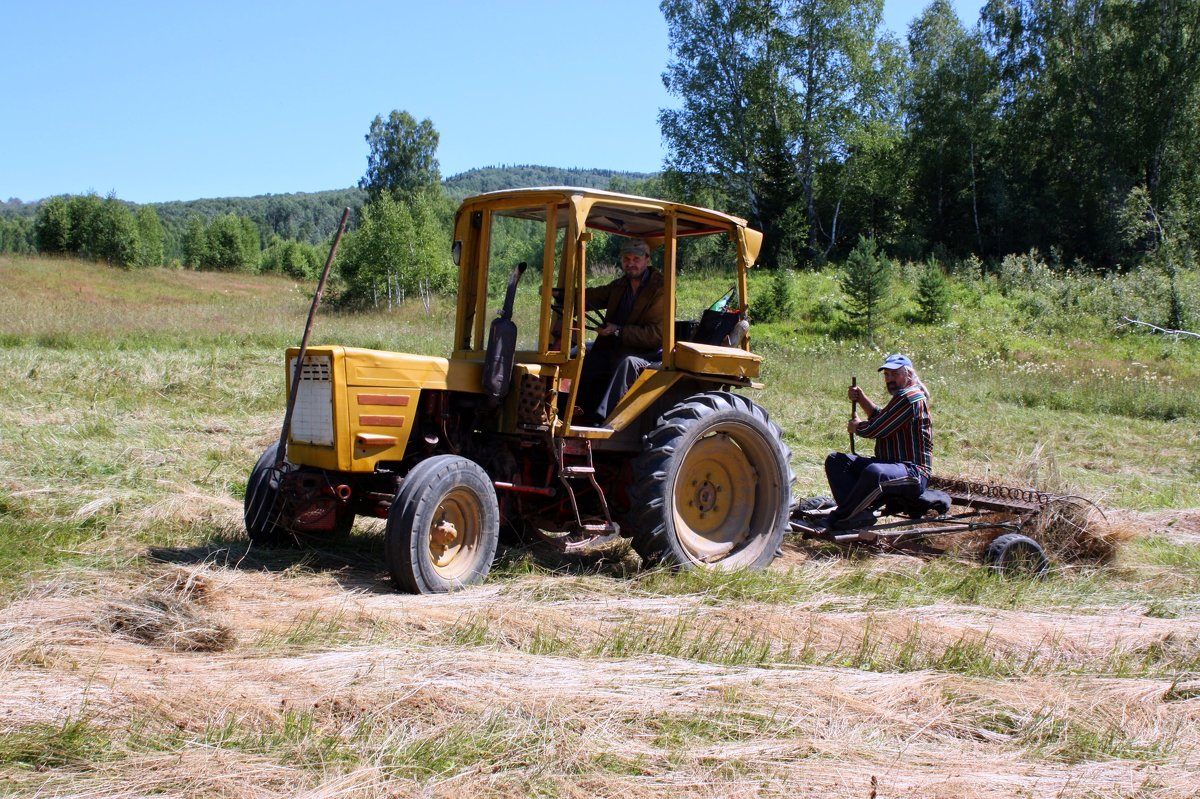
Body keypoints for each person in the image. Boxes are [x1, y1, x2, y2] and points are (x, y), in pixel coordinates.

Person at [822, 353, 933, 529]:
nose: (890, 379)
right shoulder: (902, 397)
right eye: (887, 375)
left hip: (913, 473)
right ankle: (857, 513)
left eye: (895, 374)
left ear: (908, 375)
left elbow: (877, 428)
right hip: (892, 467)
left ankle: (842, 517)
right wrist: (861, 399)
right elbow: (882, 418)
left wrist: (858, 427)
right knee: (836, 461)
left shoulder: (910, 397)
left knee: (875, 473)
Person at [574, 238, 664, 421]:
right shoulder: (620, 285)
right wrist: (562, 294)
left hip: (650, 353)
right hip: (620, 347)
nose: (630, 264)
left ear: (647, 259)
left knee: (628, 362)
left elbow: (656, 336)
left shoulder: (660, 290)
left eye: (636, 259)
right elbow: (593, 296)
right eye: (626, 259)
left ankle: (603, 421)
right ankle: (576, 413)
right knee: (587, 358)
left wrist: (618, 331)